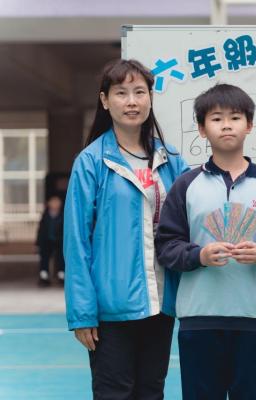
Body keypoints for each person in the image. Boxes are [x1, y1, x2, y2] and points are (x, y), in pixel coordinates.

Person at [63, 58, 189, 399]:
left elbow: (191, 218)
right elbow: (76, 242)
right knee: (114, 392)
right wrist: (83, 313)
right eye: (121, 93)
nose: (131, 101)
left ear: (150, 97)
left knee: (151, 391)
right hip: (111, 308)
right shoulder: (91, 162)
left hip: (161, 301)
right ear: (105, 101)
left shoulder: (171, 160)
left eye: (139, 92)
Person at [155, 83, 256, 400]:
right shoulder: (186, 184)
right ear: (202, 129)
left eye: (235, 117)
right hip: (199, 317)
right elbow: (166, 245)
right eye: (216, 118)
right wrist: (198, 256)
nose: (226, 125)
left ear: (249, 125)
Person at [36, 195, 64, 286]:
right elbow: (41, 230)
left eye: (57, 202)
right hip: (46, 241)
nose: (55, 204)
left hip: (59, 241)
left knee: (61, 257)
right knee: (44, 257)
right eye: (53, 202)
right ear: (48, 203)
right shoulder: (45, 216)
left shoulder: (63, 215)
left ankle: (62, 275)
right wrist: (38, 243)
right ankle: (44, 276)